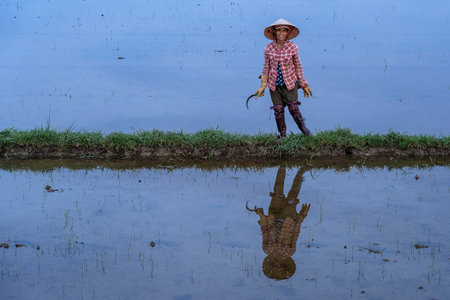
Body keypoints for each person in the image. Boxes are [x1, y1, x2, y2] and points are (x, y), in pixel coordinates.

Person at [246, 167, 311, 280]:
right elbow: (296, 233)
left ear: (271, 264)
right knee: (292, 196)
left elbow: (265, 231)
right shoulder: (290, 251)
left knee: (278, 192)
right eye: (280, 266)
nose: (277, 264)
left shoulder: (267, 250)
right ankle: (301, 173)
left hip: (274, 217)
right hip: (289, 219)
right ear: (285, 265)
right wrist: (301, 217)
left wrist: (261, 216)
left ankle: (282, 166)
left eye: (275, 266)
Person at [255, 18, 313, 141]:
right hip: (274, 85)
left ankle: (304, 130)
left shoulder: (293, 47)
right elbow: (266, 67)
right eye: (278, 31)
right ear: (274, 32)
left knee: (293, 108)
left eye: (284, 31)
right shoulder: (268, 48)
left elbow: (298, 66)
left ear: (288, 33)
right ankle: (282, 136)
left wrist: (304, 84)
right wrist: (262, 86)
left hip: (290, 83)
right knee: (278, 111)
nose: (281, 33)